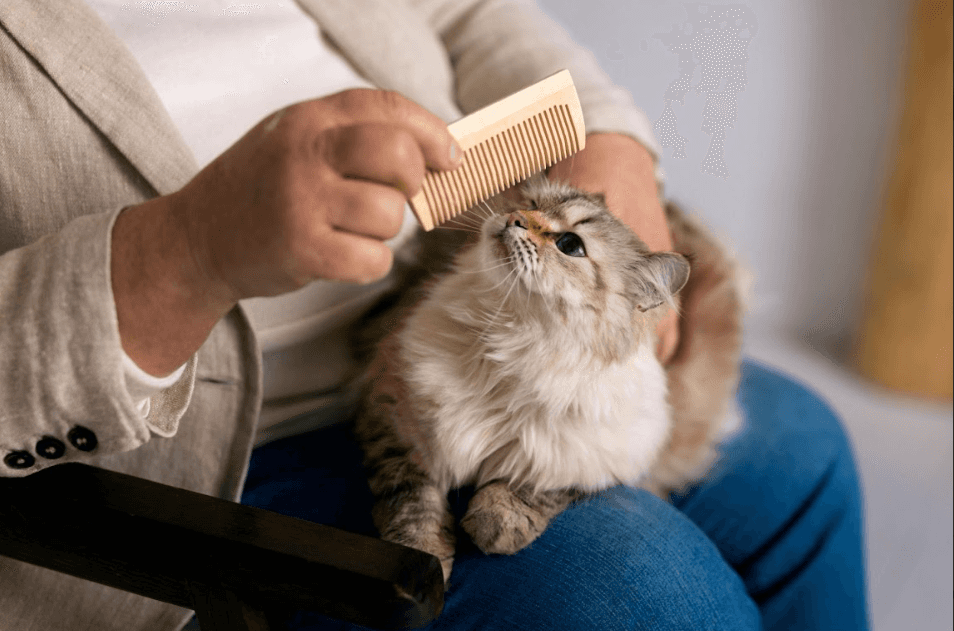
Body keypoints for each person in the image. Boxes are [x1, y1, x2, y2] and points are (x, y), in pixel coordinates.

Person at [0, 1, 869, 629]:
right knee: (647, 595)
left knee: (807, 454)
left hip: (474, 310)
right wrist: (186, 252)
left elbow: (462, 10)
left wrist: (606, 136)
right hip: (204, 460)